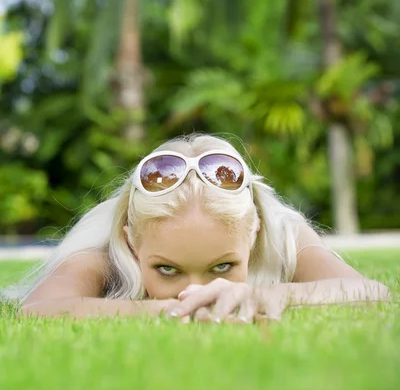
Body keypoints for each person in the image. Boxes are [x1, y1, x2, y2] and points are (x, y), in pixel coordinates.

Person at [3, 134, 390, 323]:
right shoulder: (106, 247)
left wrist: (277, 296)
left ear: (254, 231)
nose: (197, 291)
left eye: (222, 267)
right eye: (167, 270)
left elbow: (370, 291)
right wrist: (168, 311)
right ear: (132, 244)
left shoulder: (281, 230)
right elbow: (38, 309)